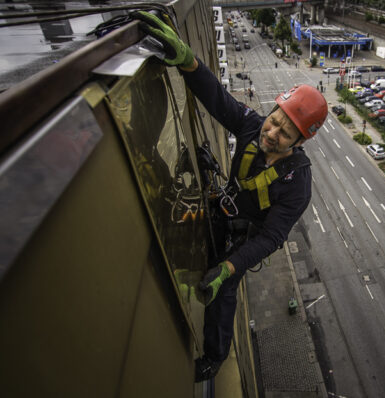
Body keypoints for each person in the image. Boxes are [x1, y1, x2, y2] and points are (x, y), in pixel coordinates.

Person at [133, 11, 328, 382]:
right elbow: (219, 100)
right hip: (223, 208)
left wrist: (231, 267)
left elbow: (272, 237)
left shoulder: (296, 184)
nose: (272, 133)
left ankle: (214, 357)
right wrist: (188, 62)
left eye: (286, 134)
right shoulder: (253, 125)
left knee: (222, 296)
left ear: (300, 142)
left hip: (244, 238)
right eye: (275, 120)